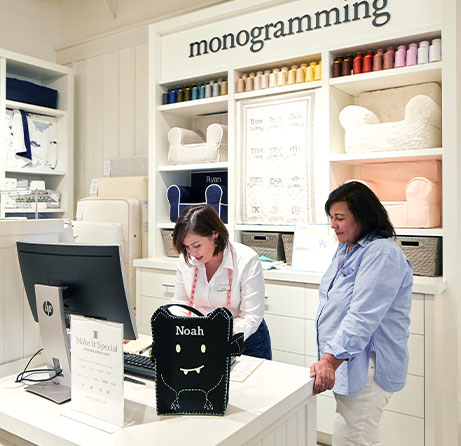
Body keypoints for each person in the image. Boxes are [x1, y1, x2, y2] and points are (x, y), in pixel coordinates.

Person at [309, 181, 413, 446]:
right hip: (347, 361)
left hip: (367, 366)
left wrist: (329, 361)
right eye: (331, 217)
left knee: (353, 438)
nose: (333, 225)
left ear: (363, 216)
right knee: (359, 437)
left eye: (340, 218)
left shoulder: (383, 253)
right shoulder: (348, 247)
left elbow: (362, 316)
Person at [171, 204, 272, 360]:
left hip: (246, 340)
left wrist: (221, 335)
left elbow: (251, 317)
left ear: (214, 233)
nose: (192, 252)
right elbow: (180, 303)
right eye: (186, 247)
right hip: (204, 337)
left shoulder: (246, 260)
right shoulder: (187, 259)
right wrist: (179, 328)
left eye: (197, 245)